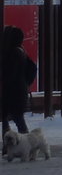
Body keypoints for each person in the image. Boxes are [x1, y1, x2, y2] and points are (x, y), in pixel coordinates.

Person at [1, 25, 35, 155]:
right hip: (19, 90)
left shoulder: (13, 53)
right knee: (15, 118)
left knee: (15, 118)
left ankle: (25, 145)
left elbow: (10, 73)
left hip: (13, 91)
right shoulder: (21, 51)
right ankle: (11, 146)